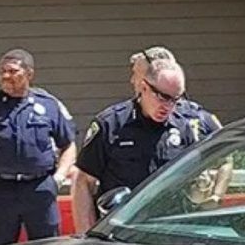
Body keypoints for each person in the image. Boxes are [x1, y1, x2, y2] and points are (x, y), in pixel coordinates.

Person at [71, 54, 227, 234]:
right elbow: (83, 180)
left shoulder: (188, 124)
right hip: (122, 232)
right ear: (144, 87)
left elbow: (224, 158)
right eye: (162, 97)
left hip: (174, 231)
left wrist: (213, 194)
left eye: (175, 99)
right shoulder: (111, 124)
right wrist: (87, 234)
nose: (168, 106)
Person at [0, 49, 77, 245]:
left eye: (13, 71)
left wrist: (57, 180)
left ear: (29, 74)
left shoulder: (49, 105)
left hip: (39, 189)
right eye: (2, 71)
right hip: (0, 191)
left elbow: (68, 145)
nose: (6, 76)